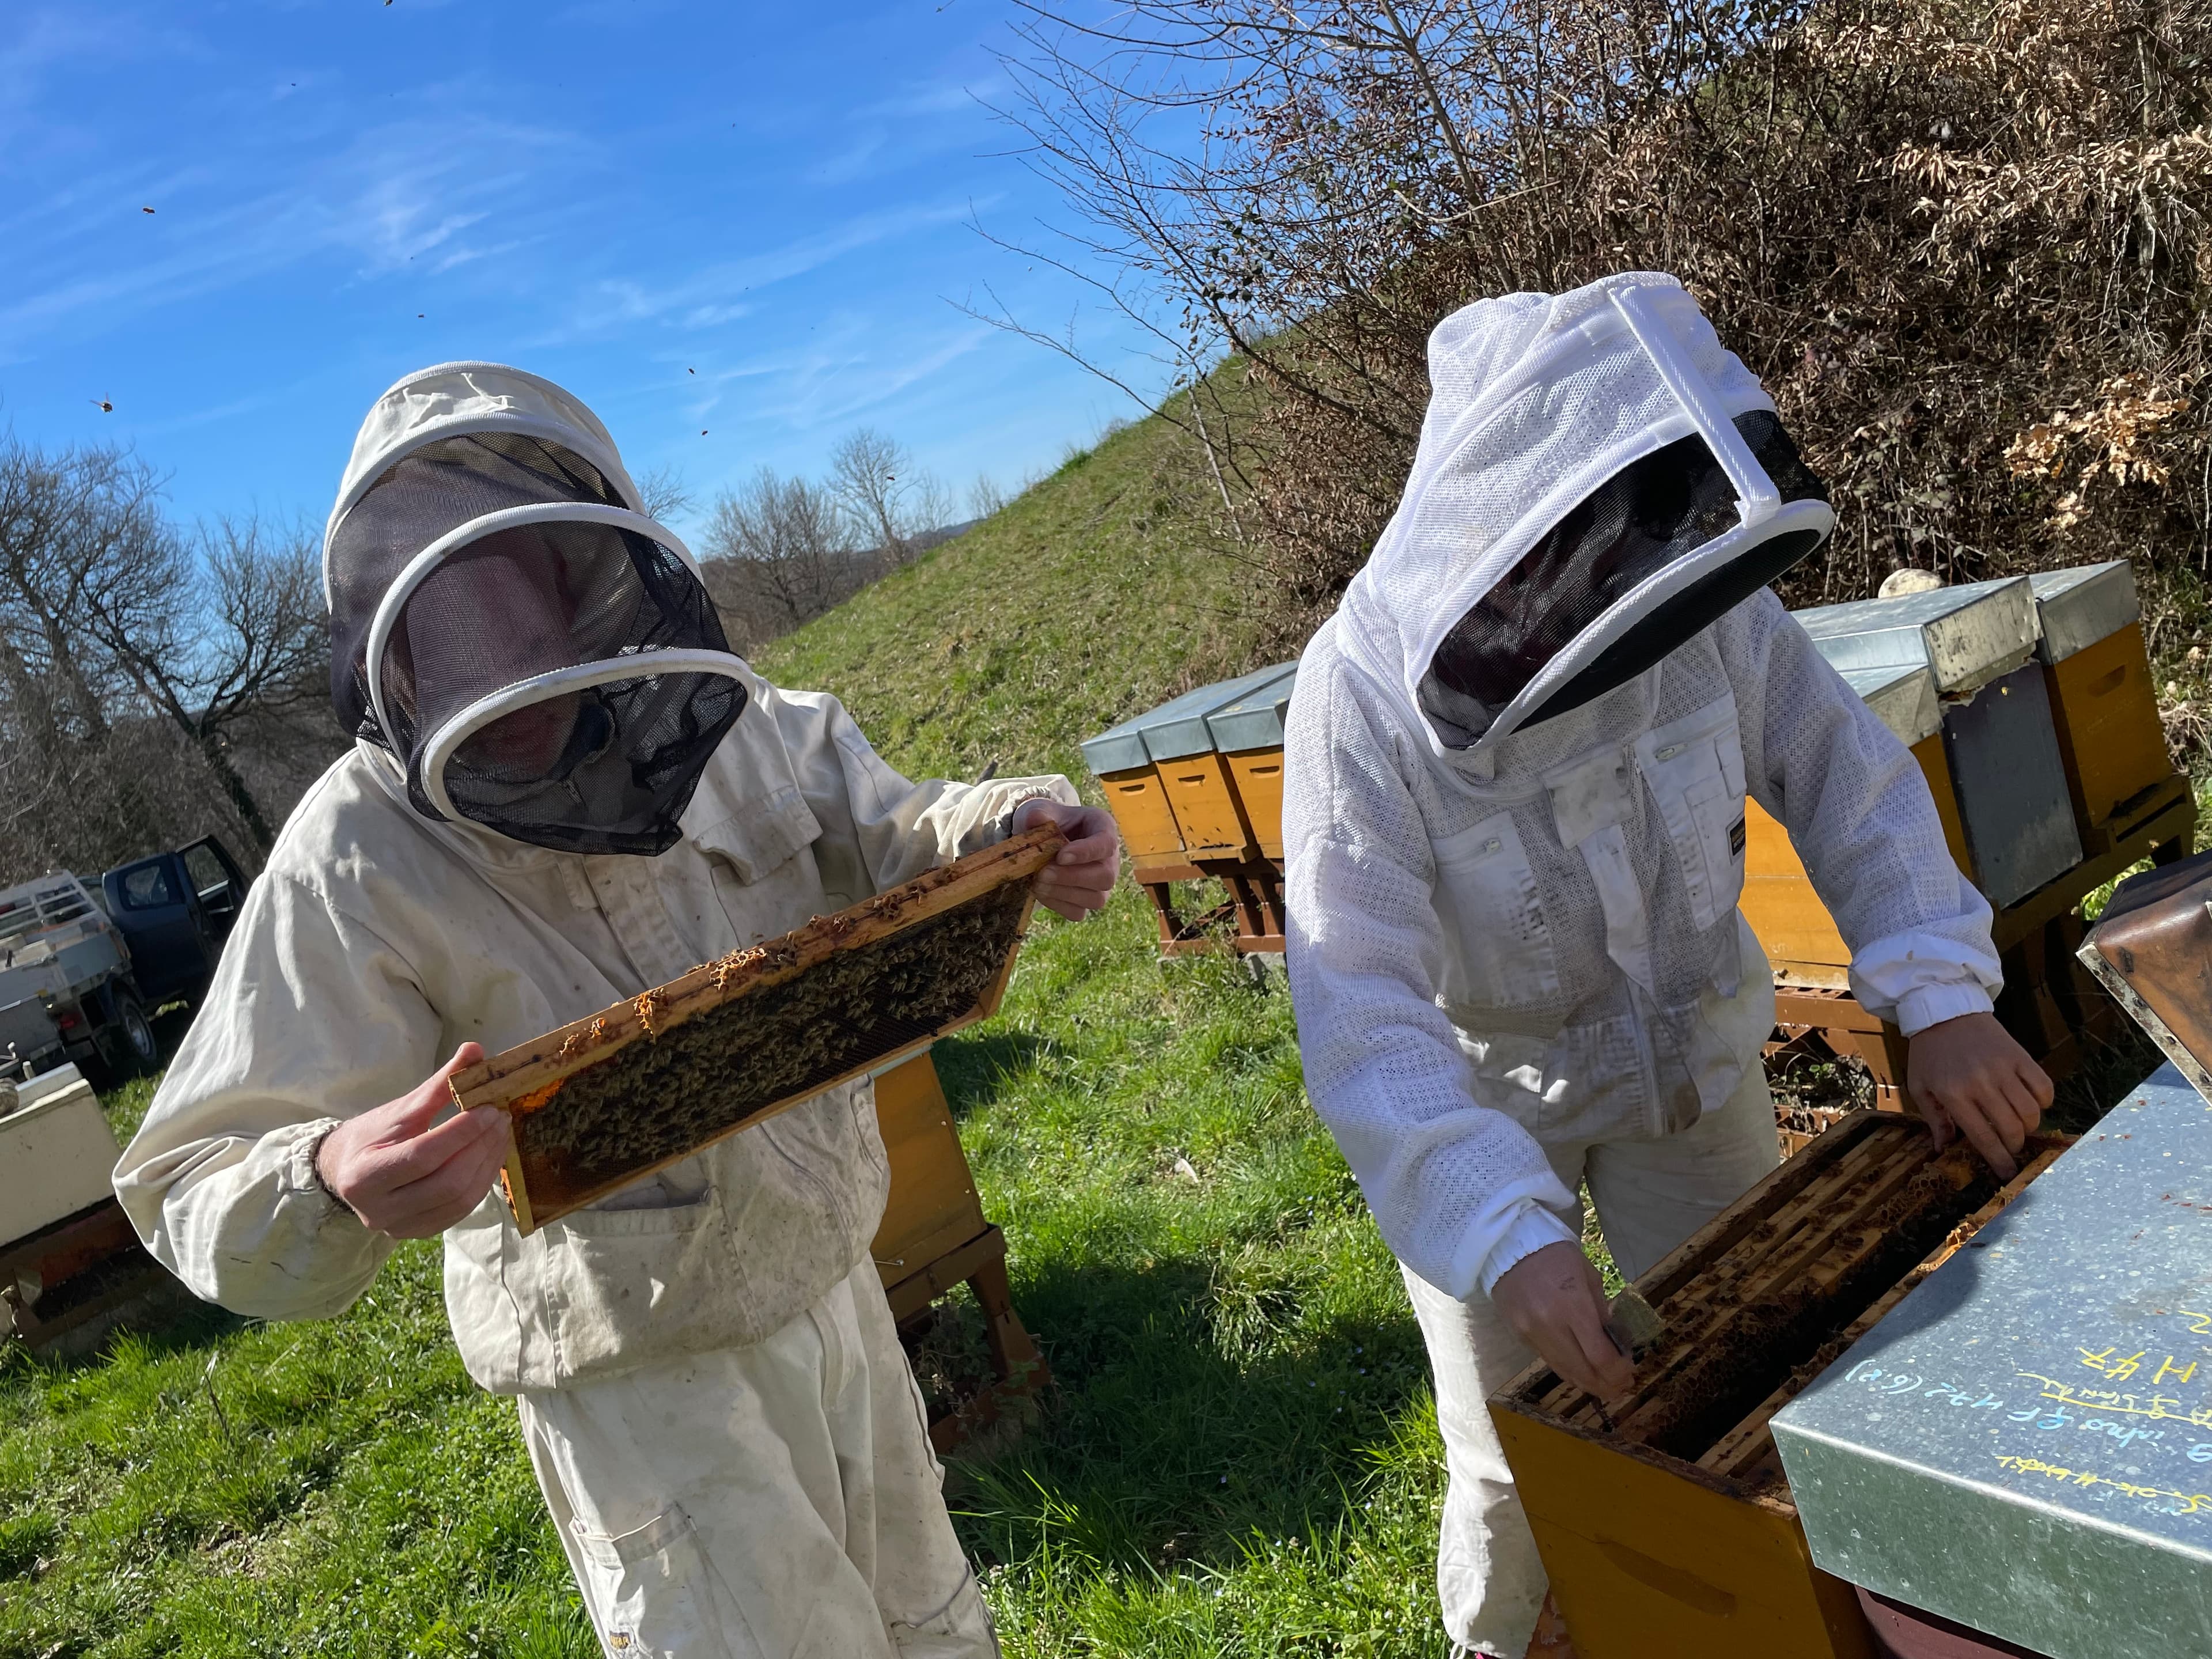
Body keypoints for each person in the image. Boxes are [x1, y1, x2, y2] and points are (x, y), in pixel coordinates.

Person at [113, 362, 1119, 1659]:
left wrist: (1011, 830)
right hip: (645, 1394)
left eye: (515, 610)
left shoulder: (725, 724)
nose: (493, 665)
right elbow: (186, 1173)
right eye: (450, 627)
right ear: (392, 638)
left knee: (932, 1631)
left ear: (583, 582)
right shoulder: (353, 853)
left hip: (837, 1290)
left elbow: (900, 825)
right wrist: (326, 1178)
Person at [1279, 274, 2052, 1658]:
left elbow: (1848, 781)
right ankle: (1500, 1642)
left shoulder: (1700, 598)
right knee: (1511, 1454)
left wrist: (1938, 995)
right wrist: (1502, 1231)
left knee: (1766, 1371)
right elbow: (1361, 1004)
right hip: (1480, 1101)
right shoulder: (1359, 692)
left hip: (1689, 1064)